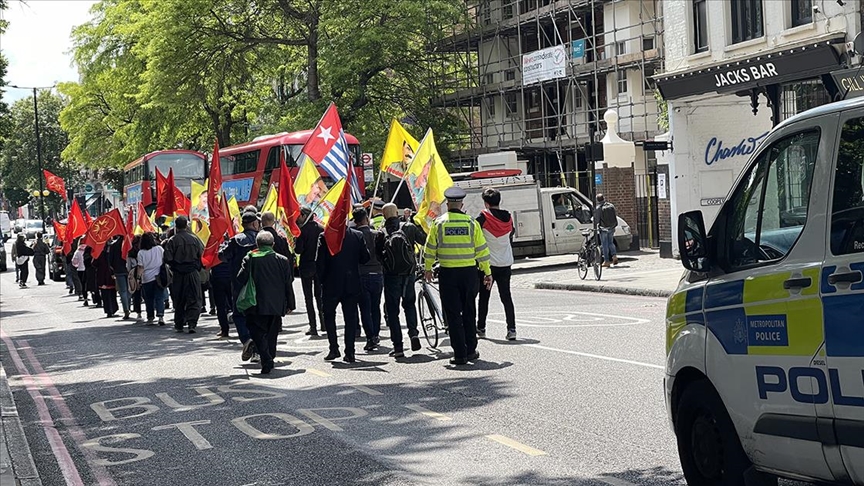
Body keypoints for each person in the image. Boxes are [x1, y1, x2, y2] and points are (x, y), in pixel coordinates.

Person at [424, 187, 492, 366]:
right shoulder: (471, 223)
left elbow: (430, 249)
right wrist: (487, 272)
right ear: (462, 205)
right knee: (469, 311)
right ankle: (471, 350)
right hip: (469, 274)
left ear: (447, 204)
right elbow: (482, 250)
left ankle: (460, 354)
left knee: (453, 314)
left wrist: (428, 268)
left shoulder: (438, 223)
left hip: (448, 274)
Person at [237, 231, 295, 374]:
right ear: (273, 244)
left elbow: (240, 278)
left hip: (255, 303)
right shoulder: (282, 260)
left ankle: (266, 358)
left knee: (257, 333)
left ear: (257, 244)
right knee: (272, 333)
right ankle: (270, 357)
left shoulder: (250, 258)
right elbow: (288, 283)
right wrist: (290, 304)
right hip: (276, 304)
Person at [316, 216, 370, 363]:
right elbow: (365, 258)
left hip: (331, 284)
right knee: (350, 318)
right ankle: (350, 352)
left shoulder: (325, 236)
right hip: (351, 283)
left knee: (329, 316)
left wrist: (321, 281)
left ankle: (334, 348)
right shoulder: (357, 235)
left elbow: (319, 263)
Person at [376, 203, 425, 358]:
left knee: (393, 311)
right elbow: (424, 240)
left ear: (384, 215)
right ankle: (413, 333)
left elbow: (378, 255)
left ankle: (398, 346)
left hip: (391, 276)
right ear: (397, 213)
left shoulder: (381, 232)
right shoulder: (408, 227)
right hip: (409, 273)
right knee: (409, 304)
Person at [476, 187, 517, 341]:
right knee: (506, 297)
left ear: (486, 203)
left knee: (484, 297)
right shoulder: (508, 217)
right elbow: (511, 233)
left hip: (488, 264)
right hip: (505, 262)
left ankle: (481, 328)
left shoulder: (483, 217)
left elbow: (474, 233)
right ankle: (512, 329)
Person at [219, 210, 259, 358]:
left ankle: (247, 339)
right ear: (254, 223)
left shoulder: (235, 241)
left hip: (239, 282)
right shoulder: (261, 239)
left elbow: (222, 256)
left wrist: (224, 245)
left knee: (239, 314)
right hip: (259, 283)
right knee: (257, 315)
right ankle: (257, 348)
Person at [163, 216, 204, 333]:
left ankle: (179, 324)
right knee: (194, 298)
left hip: (178, 274)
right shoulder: (194, 239)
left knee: (179, 299)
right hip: (192, 272)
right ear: (186, 225)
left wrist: (175, 266)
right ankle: (192, 323)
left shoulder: (172, 240)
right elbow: (202, 255)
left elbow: (167, 258)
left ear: (176, 226)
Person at [352, 207, 384, 351]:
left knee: (364, 308)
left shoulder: (355, 235)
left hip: (361, 274)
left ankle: (370, 336)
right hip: (377, 272)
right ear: (366, 218)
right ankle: (375, 334)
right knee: (375, 306)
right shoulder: (377, 234)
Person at [295, 207, 324, 336]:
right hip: (319, 266)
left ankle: (313, 326)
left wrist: (295, 242)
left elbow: (298, 250)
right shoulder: (321, 228)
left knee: (308, 297)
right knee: (320, 296)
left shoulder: (302, 231)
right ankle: (324, 323)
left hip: (306, 266)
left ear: (304, 216)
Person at [137, 232, 166, 325]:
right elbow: (164, 260)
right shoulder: (159, 249)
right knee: (159, 297)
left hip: (146, 278)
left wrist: (138, 278)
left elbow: (141, 267)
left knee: (148, 298)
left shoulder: (141, 253)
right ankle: (160, 316)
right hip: (159, 277)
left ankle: (150, 317)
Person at [108, 236, 132, 320]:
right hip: (130, 270)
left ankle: (126, 309)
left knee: (123, 291)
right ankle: (128, 306)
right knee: (130, 290)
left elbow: (110, 260)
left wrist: (113, 271)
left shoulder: (113, 245)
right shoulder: (130, 243)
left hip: (118, 271)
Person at [594, 193, 618, 267]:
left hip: (603, 228)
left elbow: (597, 220)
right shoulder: (611, 205)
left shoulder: (598, 208)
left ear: (597, 200)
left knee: (604, 244)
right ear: (603, 198)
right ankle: (614, 256)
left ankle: (606, 261)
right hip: (612, 227)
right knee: (611, 242)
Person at [95, 250, 119, 318]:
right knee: (112, 293)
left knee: (105, 294)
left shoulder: (98, 252)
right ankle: (113, 308)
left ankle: (109, 310)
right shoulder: (113, 251)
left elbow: (94, 263)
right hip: (111, 275)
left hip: (102, 275)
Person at [126, 235, 143, 321]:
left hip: (135, 273)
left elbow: (128, 266)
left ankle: (138, 312)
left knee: (136, 294)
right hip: (144, 272)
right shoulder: (144, 251)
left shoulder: (130, 253)